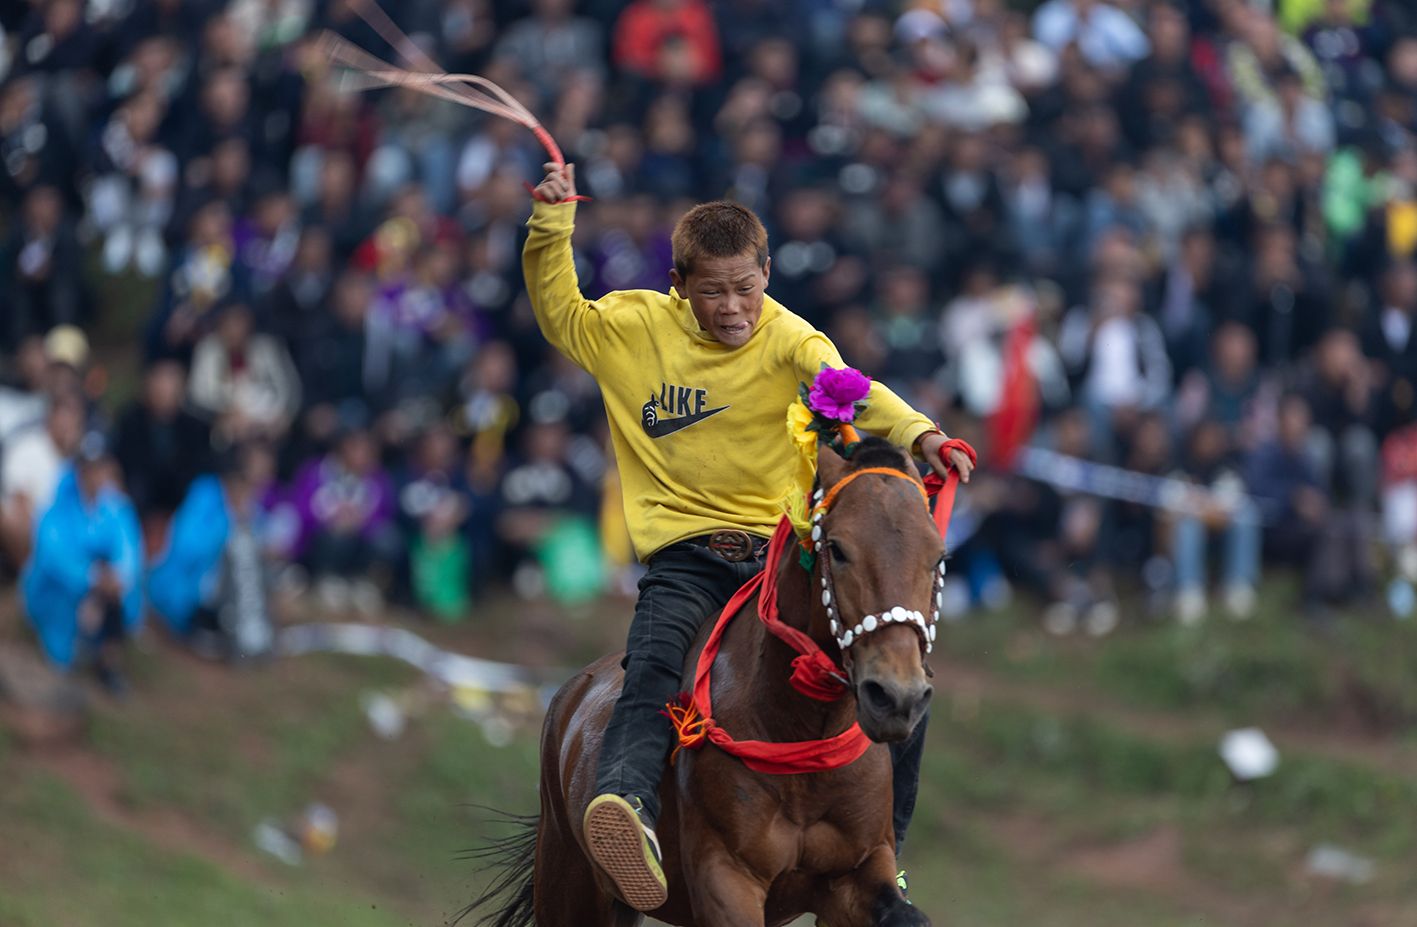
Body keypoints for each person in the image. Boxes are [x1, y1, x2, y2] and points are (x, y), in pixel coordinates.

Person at [524, 161, 974, 910]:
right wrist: (551, 223)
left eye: (745, 287)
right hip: (686, 557)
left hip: (779, 554)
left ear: (766, 274)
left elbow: (853, 391)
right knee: (654, 663)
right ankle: (627, 807)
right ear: (678, 283)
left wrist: (924, 435)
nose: (732, 307)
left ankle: (885, 851)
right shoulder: (632, 328)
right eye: (712, 291)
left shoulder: (790, 337)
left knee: (895, 665)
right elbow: (559, 311)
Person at [20, 431, 143, 695]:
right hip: (62, 594)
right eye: (89, 469)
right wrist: (92, 578)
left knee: (119, 599)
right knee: (61, 652)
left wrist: (116, 578)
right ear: (79, 471)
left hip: (102, 594)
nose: (95, 476)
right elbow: (53, 557)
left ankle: (108, 661)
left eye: (101, 468)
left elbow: (129, 551)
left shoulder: (117, 507)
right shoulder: (57, 507)